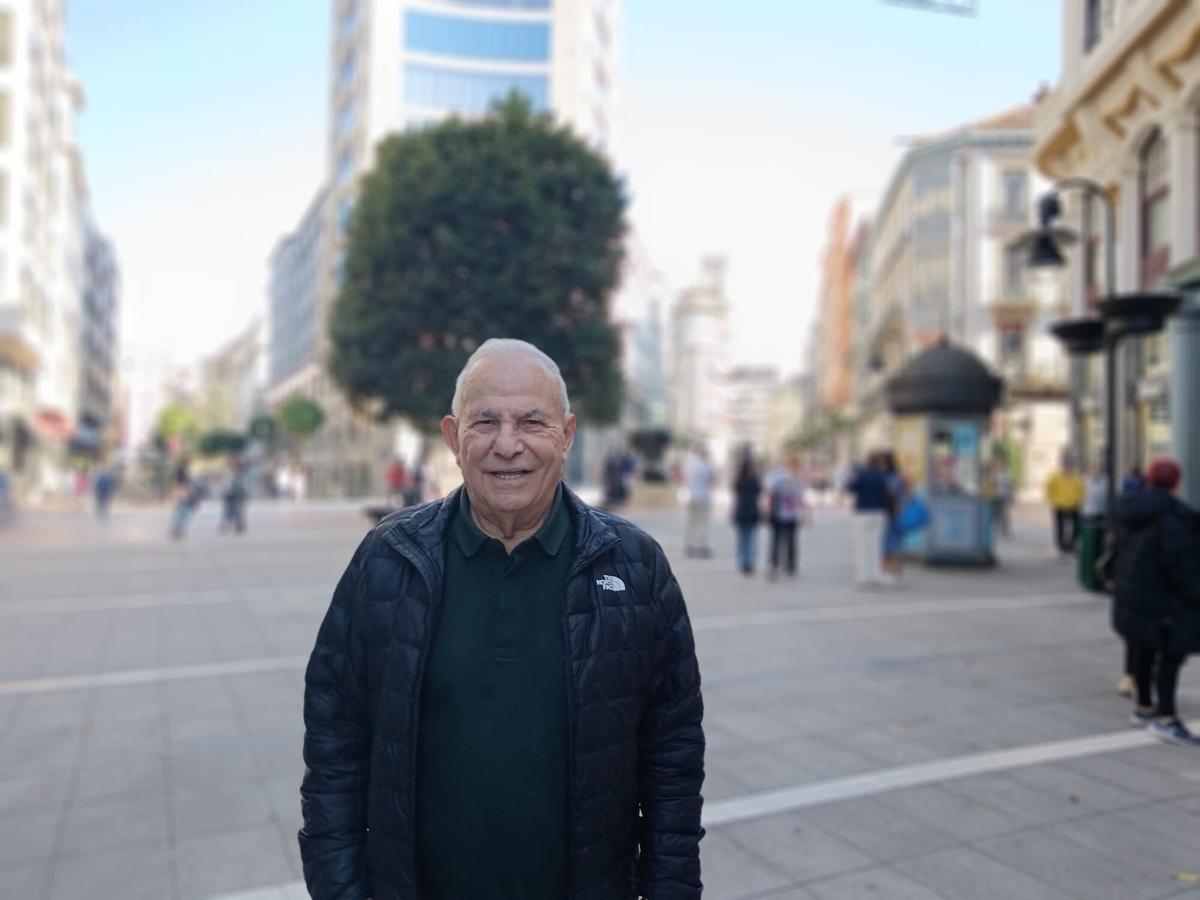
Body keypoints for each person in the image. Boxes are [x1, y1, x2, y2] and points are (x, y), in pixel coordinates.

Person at [299, 339, 704, 900]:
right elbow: (334, 745)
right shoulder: (388, 560)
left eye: (532, 422)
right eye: (484, 421)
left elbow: (674, 762)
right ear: (452, 438)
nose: (507, 445)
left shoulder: (635, 567)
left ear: (566, 435)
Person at [1112, 456, 1200, 747]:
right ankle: (1166, 719)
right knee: (1171, 655)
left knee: (1143, 649)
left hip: (1133, 596)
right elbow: (1179, 566)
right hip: (1162, 600)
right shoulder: (1171, 517)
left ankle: (1144, 708)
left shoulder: (1131, 510)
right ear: (1176, 482)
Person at [846, 453, 891, 589]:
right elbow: (886, 493)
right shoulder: (882, 476)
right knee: (875, 546)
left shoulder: (861, 474)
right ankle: (875, 576)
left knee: (862, 547)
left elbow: (850, 488)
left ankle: (863, 578)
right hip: (879, 513)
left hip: (863, 513)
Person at [765, 456, 806, 579]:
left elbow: (770, 493)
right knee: (790, 540)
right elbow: (800, 498)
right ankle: (790, 566)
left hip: (780, 513)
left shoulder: (776, 479)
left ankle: (776, 564)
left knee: (777, 540)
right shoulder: (795, 480)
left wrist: (767, 509)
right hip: (789, 514)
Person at [731, 448, 762, 575]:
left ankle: (743, 561)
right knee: (749, 537)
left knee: (743, 537)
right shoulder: (754, 479)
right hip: (751, 510)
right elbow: (759, 491)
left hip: (742, 510)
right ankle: (749, 561)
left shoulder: (739, 480)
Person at [682, 444, 716, 558]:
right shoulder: (704, 465)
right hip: (703, 497)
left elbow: (684, 478)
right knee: (703, 522)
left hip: (691, 496)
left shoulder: (690, 464)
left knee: (691, 522)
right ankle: (702, 545)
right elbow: (711, 479)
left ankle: (690, 544)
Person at [1045, 457, 1084, 555]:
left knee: (1076, 526)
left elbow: (1082, 489)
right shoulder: (1056, 477)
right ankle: (1061, 545)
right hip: (1060, 505)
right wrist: (1052, 500)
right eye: (1066, 466)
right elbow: (1049, 488)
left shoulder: (1076, 477)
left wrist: (1079, 500)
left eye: (1070, 467)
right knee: (1060, 526)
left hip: (1074, 505)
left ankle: (1071, 543)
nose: (1068, 469)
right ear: (1063, 467)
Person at [880, 451, 908, 579]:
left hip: (890, 512)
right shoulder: (897, 476)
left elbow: (894, 493)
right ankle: (894, 567)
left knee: (889, 541)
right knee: (893, 540)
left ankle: (891, 567)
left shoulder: (890, 477)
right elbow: (904, 493)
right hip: (894, 511)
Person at [219, 458, 250, 535]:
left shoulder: (241, 473)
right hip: (230, 494)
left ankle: (237, 526)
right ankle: (234, 525)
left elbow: (242, 485)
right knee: (231, 510)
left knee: (236, 510)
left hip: (237, 494)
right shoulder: (232, 472)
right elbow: (226, 483)